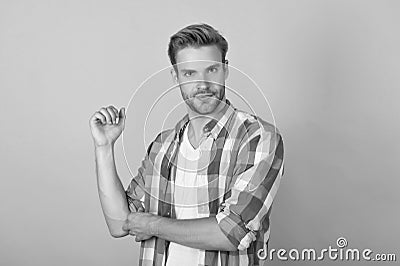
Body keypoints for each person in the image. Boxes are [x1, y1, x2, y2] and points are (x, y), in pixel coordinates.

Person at [89, 23, 284, 266]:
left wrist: (152, 224)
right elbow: (120, 223)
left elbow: (233, 232)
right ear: (175, 76)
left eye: (211, 70)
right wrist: (104, 148)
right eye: (189, 73)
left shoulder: (257, 137)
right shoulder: (162, 146)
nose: (203, 84)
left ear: (225, 70)